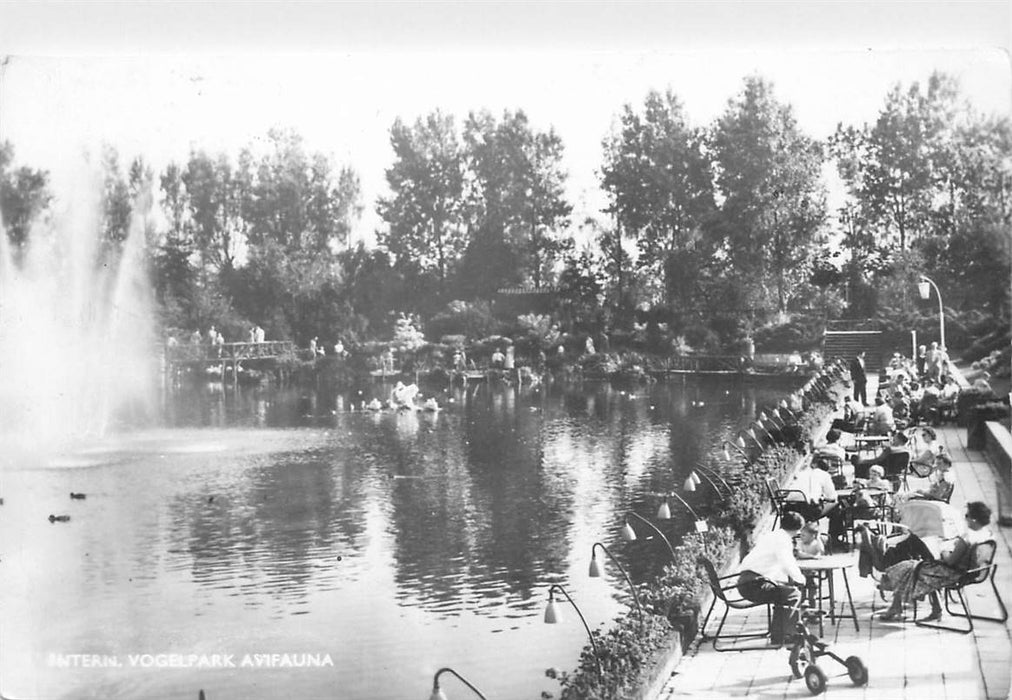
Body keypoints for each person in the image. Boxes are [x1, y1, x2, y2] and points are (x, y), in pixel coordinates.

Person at [877, 501, 993, 622]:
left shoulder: (967, 538)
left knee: (907, 566)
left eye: (967, 516)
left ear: (974, 519)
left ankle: (895, 603)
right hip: (969, 571)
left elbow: (950, 561)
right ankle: (933, 608)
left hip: (952, 573)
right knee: (919, 555)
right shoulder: (986, 534)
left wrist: (944, 551)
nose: (965, 519)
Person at [736, 511, 807, 644]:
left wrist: (772, 579)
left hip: (748, 580)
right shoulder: (784, 540)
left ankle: (782, 633)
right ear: (798, 529)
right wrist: (801, 579)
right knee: (793, 594)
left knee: (784, 591)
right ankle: (784, 635)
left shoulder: (772, 535)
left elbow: (771, 564)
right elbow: (787, 563)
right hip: (752, 585)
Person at [783, 455, 844, 547]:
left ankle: (790, 539)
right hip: (809, 509)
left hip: (790, 508)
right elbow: (832, 496)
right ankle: (835, 538)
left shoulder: (800, 473)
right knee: (836, 506)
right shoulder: (824, 475)